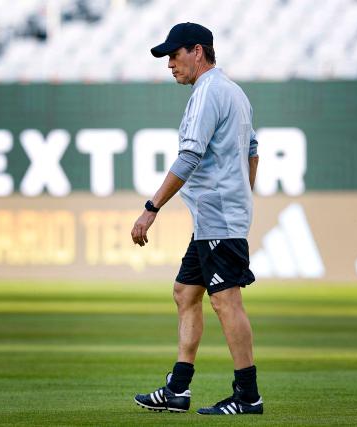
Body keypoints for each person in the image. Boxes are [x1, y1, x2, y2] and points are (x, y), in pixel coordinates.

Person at [131, 22, 262, 416]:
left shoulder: (209, 93)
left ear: (198, 52)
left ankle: (248, 396)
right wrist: (243, 195)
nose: (170, 64)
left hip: (219, 216)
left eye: (175, 55)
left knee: (226, 303)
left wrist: (151, 208)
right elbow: (252, 149)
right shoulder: (233, 92)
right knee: (185, 293)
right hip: (215, 217)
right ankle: (179, 390)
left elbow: (189, 157)